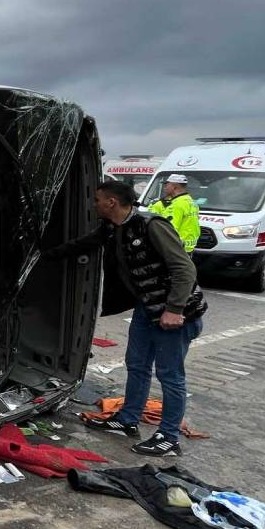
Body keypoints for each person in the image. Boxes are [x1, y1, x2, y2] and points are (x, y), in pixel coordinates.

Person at [45, 180, 207, 457]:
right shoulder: (114, 227)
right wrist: (43, 256)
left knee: (170, 376)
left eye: (97, 200)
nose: (93, 204)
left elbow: (184, 269)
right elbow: (85, 244)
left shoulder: (151, 226)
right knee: (137, 365)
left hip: (176, 315)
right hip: (147, 309)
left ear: (112, 203)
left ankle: (168, 438)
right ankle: (127, 420)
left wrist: (175, 309)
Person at [147, 174, 201, 253]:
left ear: (174, 186)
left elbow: (168, 229)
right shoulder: (191, 201)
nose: (164, 187)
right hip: (189, 247)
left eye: (166, 184)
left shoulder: (176, 205)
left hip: (175, 248)